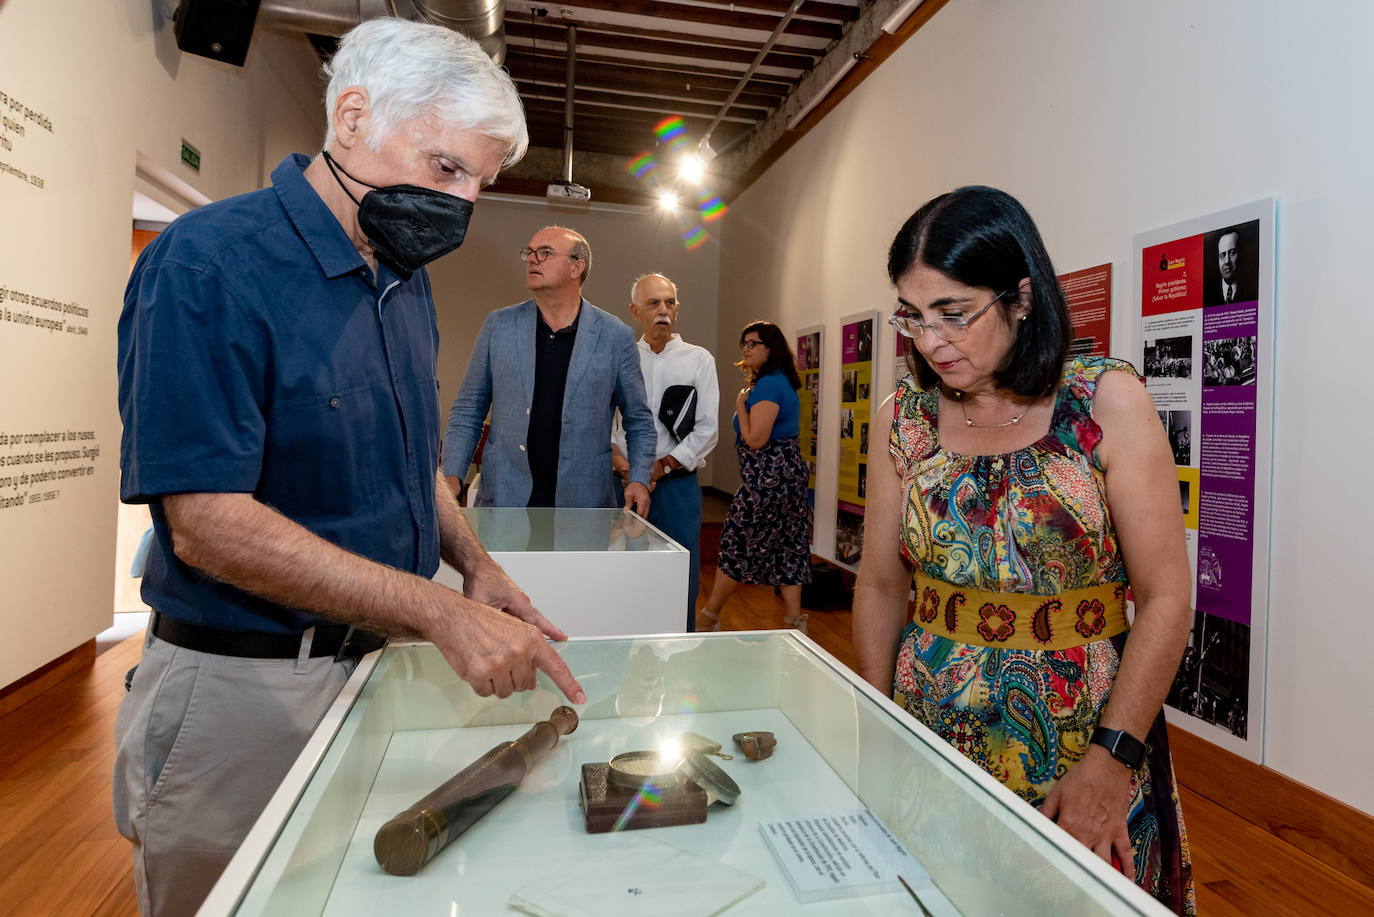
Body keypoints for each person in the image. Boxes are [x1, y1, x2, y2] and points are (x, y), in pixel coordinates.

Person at [113, 20, 585, 917]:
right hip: (242, 691)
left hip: (371, 669)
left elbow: (415, 466)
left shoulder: (405, 283)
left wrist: (474, 563)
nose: (464, 203)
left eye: (479, 183)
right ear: (354, 116)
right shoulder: (207, 264)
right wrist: (437, 610)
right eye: (446, 167)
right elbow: (207, 523)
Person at [852, 186, 1195, 913]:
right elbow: (881, 583)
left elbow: (1166, 597)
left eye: (953, 313)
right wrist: (877, 725)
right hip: (928, 726)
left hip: (1079, 739)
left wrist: (1111, 760)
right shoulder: (904, 419)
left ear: (1022, 298)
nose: (930, 341)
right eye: (913, 314)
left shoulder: (1104, 401)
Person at [442, 226, 655, 512]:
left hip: (584, 505)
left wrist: (639, 479)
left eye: (545, 253)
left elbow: (639, 419)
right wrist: (453, 475)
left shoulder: (615, 336)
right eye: (529, 252)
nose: (532, 259)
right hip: (505, 501)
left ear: (576, 268)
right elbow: (468, 409)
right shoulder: (499, 326)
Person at [611, 273, 719, 630]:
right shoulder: (621, 358)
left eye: (669, 303)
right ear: (635, 311)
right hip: (623, 485)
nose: (663, 310)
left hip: (677, 489)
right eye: (654, 303)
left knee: (678, 576)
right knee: (622, 575)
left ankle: (678, 649)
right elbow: (603, 423)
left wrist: (663, 466)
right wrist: (625, 466)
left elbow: (707, 429)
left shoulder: (699, 360)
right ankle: (623, 648)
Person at [696, 321, 813, 632]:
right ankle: (793, 623)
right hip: (787, 477)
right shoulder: (779, 381)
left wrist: (739, 406)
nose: (746, 349)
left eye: (753, 343)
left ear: (770, 349)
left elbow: (755, 439)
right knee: (789, 545)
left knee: (736, 541)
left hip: (768, 479)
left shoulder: (769, 385)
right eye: (744, 343)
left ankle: (709, 615)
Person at [1215, 227, 1256, 304]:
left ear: (1242, 254)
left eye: (1232, 253)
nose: (1227, 261)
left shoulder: (1253, 290)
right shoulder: (1207, 293)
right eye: (1222, 255)